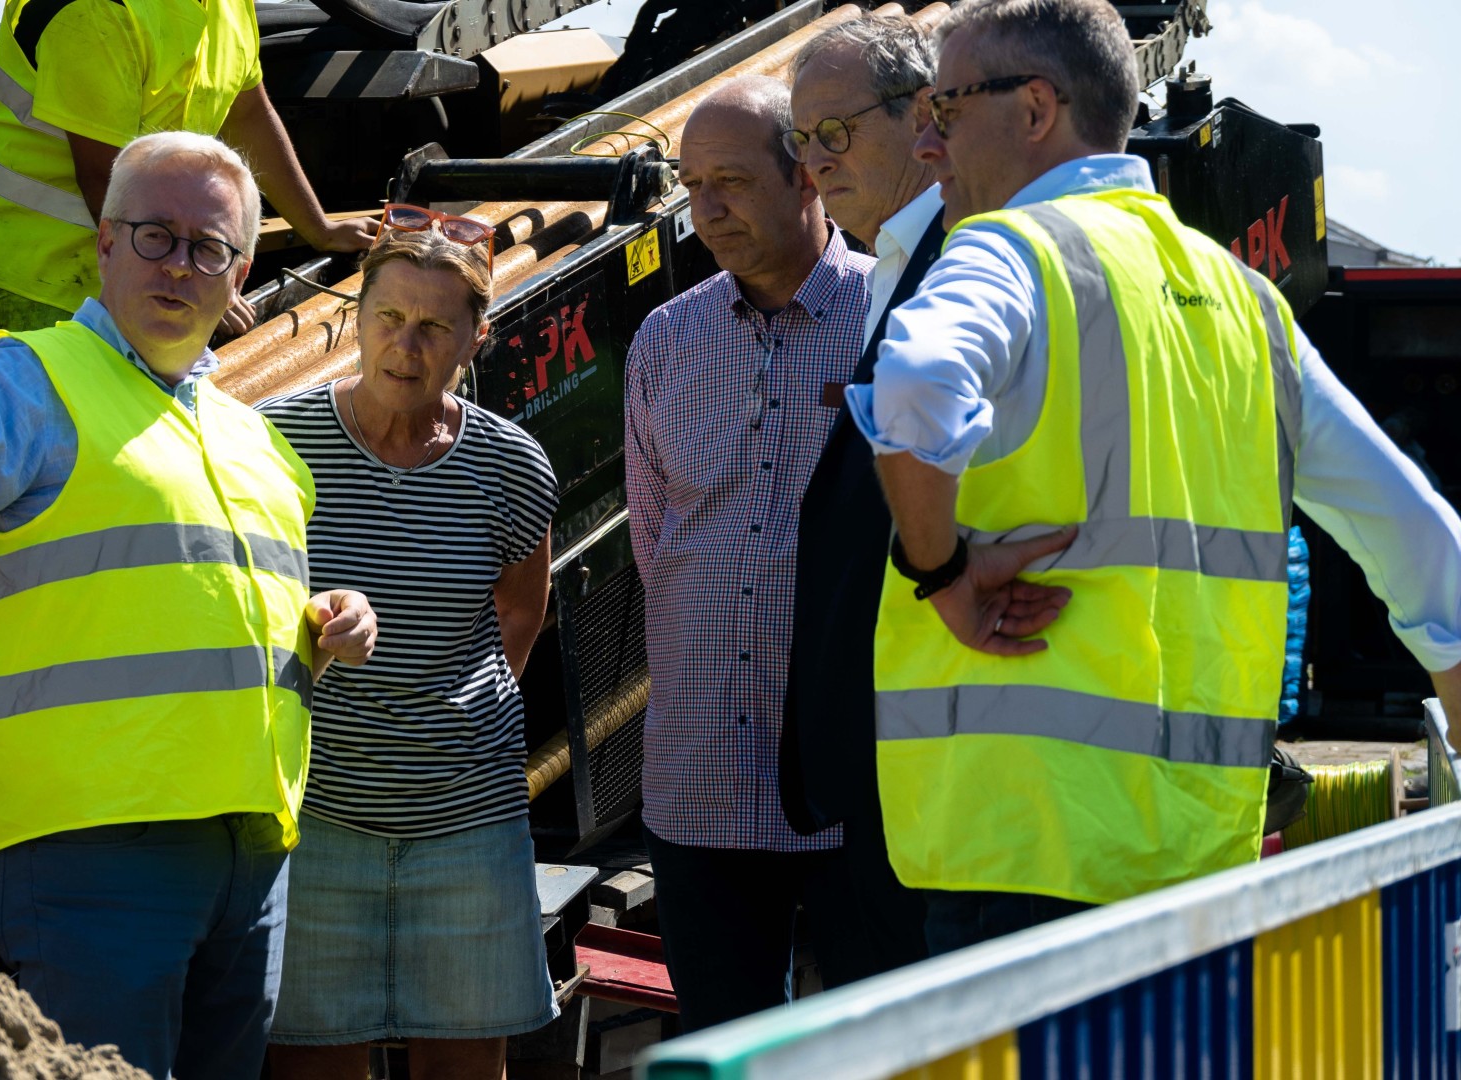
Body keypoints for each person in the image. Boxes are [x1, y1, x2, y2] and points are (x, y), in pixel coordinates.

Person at [848, 0, 1461, 955]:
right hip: (1202, 873)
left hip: (1022, 863)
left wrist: (944, 577)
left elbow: (917, 387)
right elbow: (1424, 543)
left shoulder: (1010, 251)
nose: (928, 146)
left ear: (1037, 109)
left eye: (945, 110)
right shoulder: (1245, 301)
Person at [0, 131, 378, 1078]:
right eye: (154, 235)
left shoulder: (257, 442)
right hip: (93, 857)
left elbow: (202, 611)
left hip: (250, 855)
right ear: (104, 245)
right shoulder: (27, 379)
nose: (180, 264)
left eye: (208, 248)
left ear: (240, 272)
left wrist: (332, 624)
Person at [259, 219, 559, 1079]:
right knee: (312, 1064)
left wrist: (445, 727)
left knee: (465, 1066)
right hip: (318, 815)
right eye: (388, 318)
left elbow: (520, 617)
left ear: (477, 335)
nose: (406, 346)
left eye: (434, 327)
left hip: (467, 822)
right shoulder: (280, 445)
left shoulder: (511, 466)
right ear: (358, 318)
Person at [624, 75, 876, 1032]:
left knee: (879, 1044)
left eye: (730, 181)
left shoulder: (892, 322)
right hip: (700, 788)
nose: (706, 211)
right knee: (729, 1047)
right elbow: (659, 547)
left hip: (857, 789)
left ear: (809, 175)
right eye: (693, 186)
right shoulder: (666, 341)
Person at [776, 14, 944, 983]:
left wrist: (947, 572)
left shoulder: (961, 264)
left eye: (833, 134)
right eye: (802, 141)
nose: (813, 165)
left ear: (924, 114)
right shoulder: (894, 266)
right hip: (894, 769)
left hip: (940, 772)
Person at [0, 0, 375, 352]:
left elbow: (247, 111)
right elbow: (105, 181)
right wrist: (197, 279)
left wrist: (321, 229)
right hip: (22, 266)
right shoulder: (97, 10)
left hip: (132, 249)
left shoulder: (224, 6)